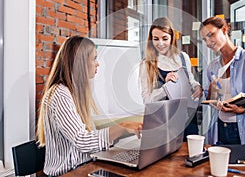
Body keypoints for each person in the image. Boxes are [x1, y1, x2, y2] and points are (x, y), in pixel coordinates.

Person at [36, 35, 142, 176]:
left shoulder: (77, 92)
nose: (97, 64)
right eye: (94, 59)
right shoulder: (59, 94)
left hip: (84, 168)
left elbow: (88, 136)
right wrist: (122, 127)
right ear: (80, 62)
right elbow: (82, 141)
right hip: (68, 173)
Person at [199, 16, 245, 151]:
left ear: (224, 29)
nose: (208, 42)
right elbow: (210, 99)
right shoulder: (212, 67)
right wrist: (212, 90)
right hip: (221, 128)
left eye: (211, 35)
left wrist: (242, 109)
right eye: (204, 39)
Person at [139, 17, 203, 138]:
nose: (160, 43)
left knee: (190, 154)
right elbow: (147, 100)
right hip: (164, 124)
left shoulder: (183, 57)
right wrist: (166, 87)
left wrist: (197, 86)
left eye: (165, 38)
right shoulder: (147, 64)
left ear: (172, 38)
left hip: (188, 120)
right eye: (156, 39)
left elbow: (191, 80)